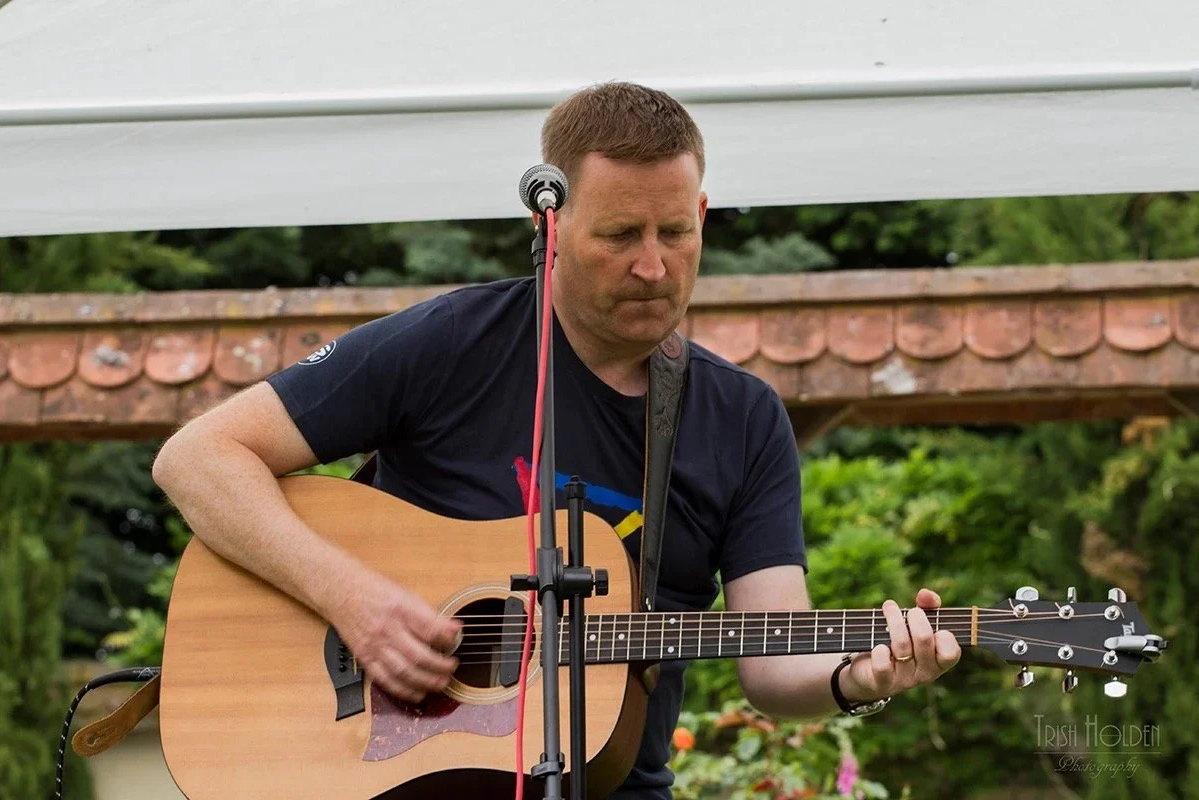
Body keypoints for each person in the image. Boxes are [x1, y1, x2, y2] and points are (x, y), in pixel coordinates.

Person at [152, 81, 960, 798]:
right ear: (555, 223)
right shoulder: (449, 344)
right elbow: (197, 458)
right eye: (620, 236)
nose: (654, 267)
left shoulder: (742, 417)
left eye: (675, 233)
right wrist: (354, 601)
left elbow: (775, 658)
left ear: (703, 216)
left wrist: (862, 677)